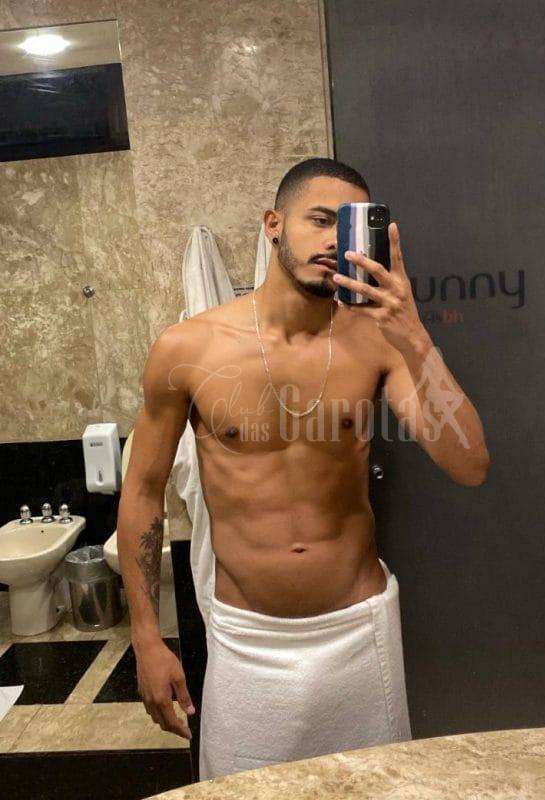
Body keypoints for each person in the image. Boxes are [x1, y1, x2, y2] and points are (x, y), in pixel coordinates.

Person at [117, 157, 490, 779]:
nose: (334, 241)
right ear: (273, 224)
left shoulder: (377, 341)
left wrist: (414, 333)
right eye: (320, 220)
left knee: (373, 789)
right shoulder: (188, 348)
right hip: (246, 641)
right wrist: (147, 638)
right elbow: (142, 493)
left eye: (348, 226)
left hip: (358, 631)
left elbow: (470, 463)